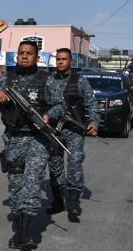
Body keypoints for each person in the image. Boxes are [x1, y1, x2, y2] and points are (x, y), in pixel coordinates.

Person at [0, 41, 64, 250]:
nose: (24, 56)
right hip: (13, 139)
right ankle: (18, 228)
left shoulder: (46, 80)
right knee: (15, 187)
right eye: (21, 53)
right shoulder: (6, 79)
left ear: (36, 57)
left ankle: (26, 234)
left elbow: (60, 104)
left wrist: (49, 115)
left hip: (37, 140)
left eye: (29, 53)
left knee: (31, 185)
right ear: (16, 56)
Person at [45, 48, 100, 223]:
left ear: (71, 61)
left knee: (75, 162)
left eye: (64, 59)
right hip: (54, 130)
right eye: (58, 59)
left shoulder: (80, 80)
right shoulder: (49, 79)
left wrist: (94, 122)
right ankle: (58, 201)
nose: (60, 62)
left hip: (74, 129)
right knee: (55, 165)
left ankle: (74, 202)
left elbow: (92, 103)